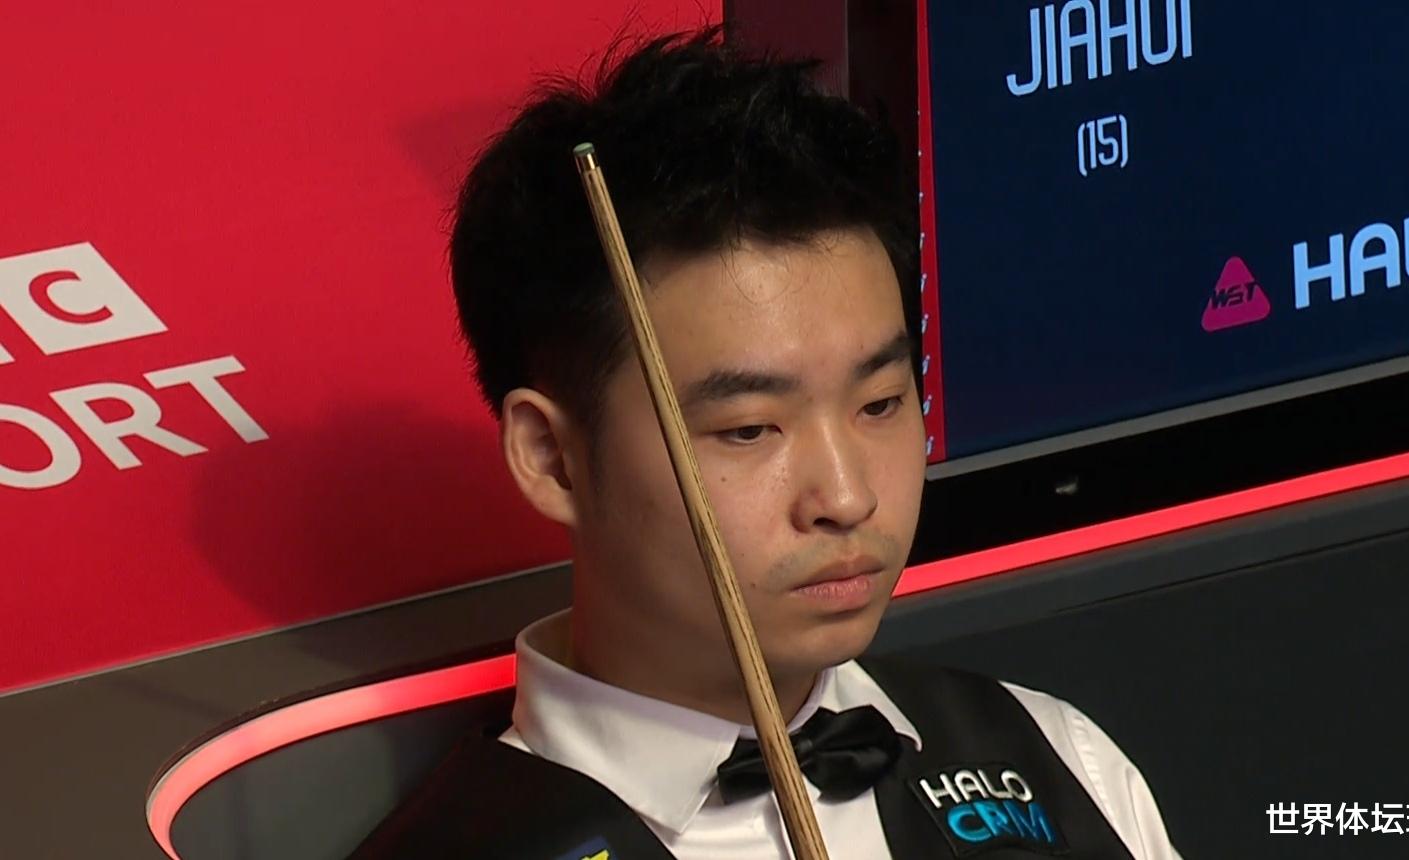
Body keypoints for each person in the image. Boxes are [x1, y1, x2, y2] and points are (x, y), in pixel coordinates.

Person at [353, 25, 1182, 860]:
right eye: (749, 429)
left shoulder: (1060, 759)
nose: (847, 497)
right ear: (551, 458)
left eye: (881, 403)